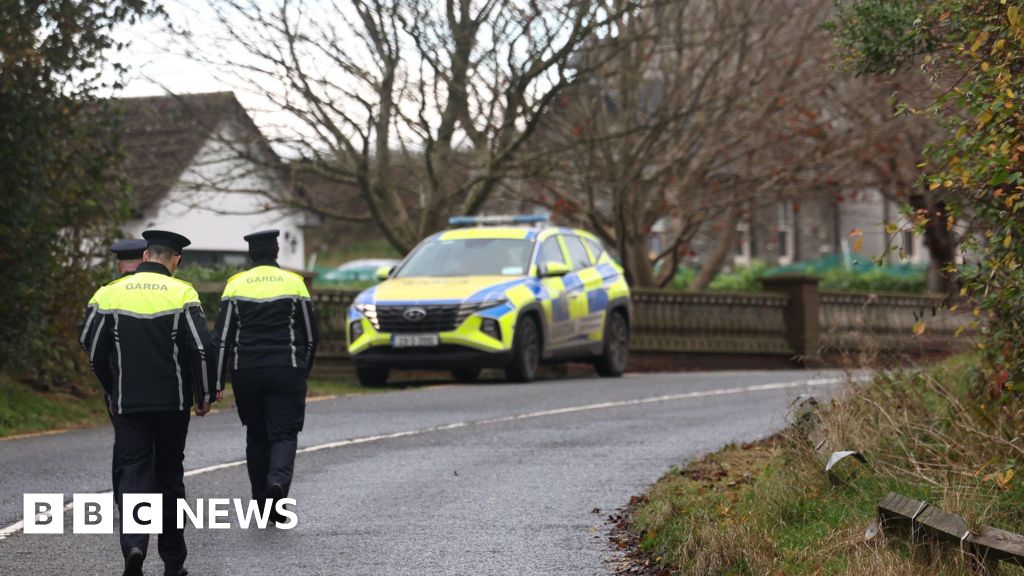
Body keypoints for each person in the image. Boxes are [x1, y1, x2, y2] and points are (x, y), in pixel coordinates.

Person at [80, 229, 220, 576]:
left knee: (133, 474)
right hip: (172, 404)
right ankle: (173, 562)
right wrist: (203, 396)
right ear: (176, 260)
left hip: (128, 404)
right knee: (170, 477)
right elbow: (202, 349)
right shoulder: (182, 292)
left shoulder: (109, 294)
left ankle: (134, 545)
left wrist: (111, 390)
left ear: (145, 255)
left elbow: (93, 349)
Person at [214, 229, 318, 521]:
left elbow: (222, 338)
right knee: (284, 434)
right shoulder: (295, 283)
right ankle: (278, 485)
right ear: (276, 253)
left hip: (246, 370)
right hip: (287, 368)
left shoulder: (235, 285)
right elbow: (311, 335)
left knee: (256, 436)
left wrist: (218, 380)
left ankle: (261, 505)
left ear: (250, 255)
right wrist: (303, 369)